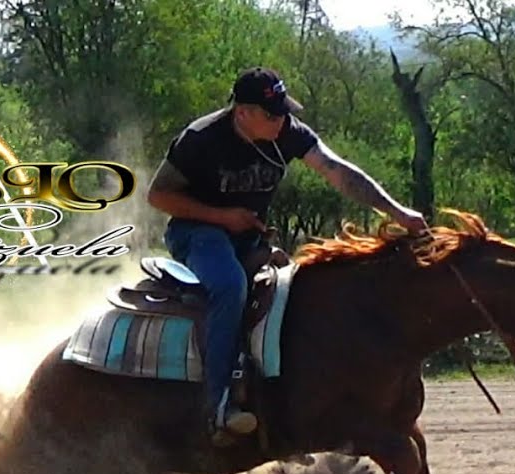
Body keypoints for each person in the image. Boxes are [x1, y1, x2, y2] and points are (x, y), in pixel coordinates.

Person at [146, 66, 429, 445]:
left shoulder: (288, 134)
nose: (282, 120)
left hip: (249, 235)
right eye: (272, 114)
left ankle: (282, 401)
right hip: (197, 232)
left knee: (298, 291)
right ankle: (218, 405)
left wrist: (398, 213)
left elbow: (338, 172)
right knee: (230, 286)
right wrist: (222, 217)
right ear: (242, 112)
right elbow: (159, 196)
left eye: (284, 110)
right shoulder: (202, 139)